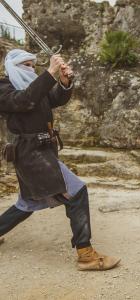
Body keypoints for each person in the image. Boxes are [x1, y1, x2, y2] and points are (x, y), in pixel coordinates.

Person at [0, 49, 120, 271]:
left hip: (42, 151)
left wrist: (64, 83)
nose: (30, 69)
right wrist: (50, 73)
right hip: (29, 154)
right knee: (76, 191)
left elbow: (52, 99)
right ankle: (86, 255)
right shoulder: (4, 87)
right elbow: (24, 101)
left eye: (32, 65)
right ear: (13, 66)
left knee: (27, 203)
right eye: (25, 65)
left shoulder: (34, 84)